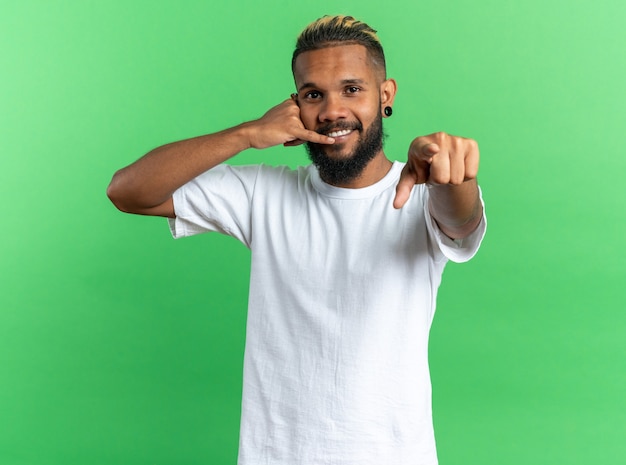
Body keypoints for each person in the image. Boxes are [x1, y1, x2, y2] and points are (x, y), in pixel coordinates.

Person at [107, 15, 486, 465]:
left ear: (385, 96)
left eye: (352, 89)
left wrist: (452, 175)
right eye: (313, 95)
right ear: (295, 105)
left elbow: (461, 224)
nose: (331, 111)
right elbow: (127, 190)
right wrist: (247, 134)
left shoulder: (424, 193)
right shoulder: (263, 194)